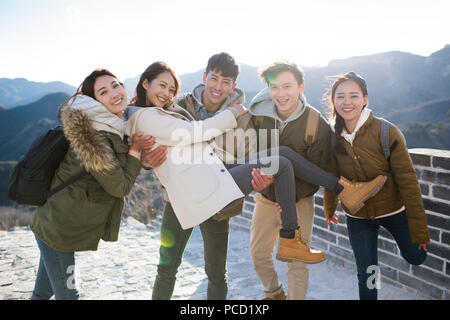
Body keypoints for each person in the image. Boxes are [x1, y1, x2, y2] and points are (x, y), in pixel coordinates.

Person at [128, 59, 387, 299]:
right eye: (161, 85)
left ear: (233, 85)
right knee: (168, 267)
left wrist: (271, 184)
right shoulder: (153, 114)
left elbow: (240, 151)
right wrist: (141, 156)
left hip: (215, 179)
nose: (166, 92)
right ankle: (311, 218)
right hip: (188, 194)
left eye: (171, 88)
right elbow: (188, 134)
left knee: (217, 271)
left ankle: (293, 233)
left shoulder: (172, 109)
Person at [29, 69, 153, 300]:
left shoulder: (114, 127)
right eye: (103, 92)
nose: (114, 93)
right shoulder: (94, 137)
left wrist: (136, 153)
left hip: (56, 223)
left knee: (42, 293)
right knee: (69, 295)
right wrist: (135, 150)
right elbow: (121, 187)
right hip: (58, 229)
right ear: (95, 102)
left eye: (116, 85)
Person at [323, 71, 430, 300]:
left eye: (354, 96)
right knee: (368, 271)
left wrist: (420, 229)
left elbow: (408, 182)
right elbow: (331, 176)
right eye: (340, 96)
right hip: (358, 216)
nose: (347, 102)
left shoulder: (385, 132)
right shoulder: (332, 136)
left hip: (394, 210)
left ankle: (415, 250)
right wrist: (329, 208)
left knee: (415, 257)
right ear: (334, 101)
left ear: (365, 100)